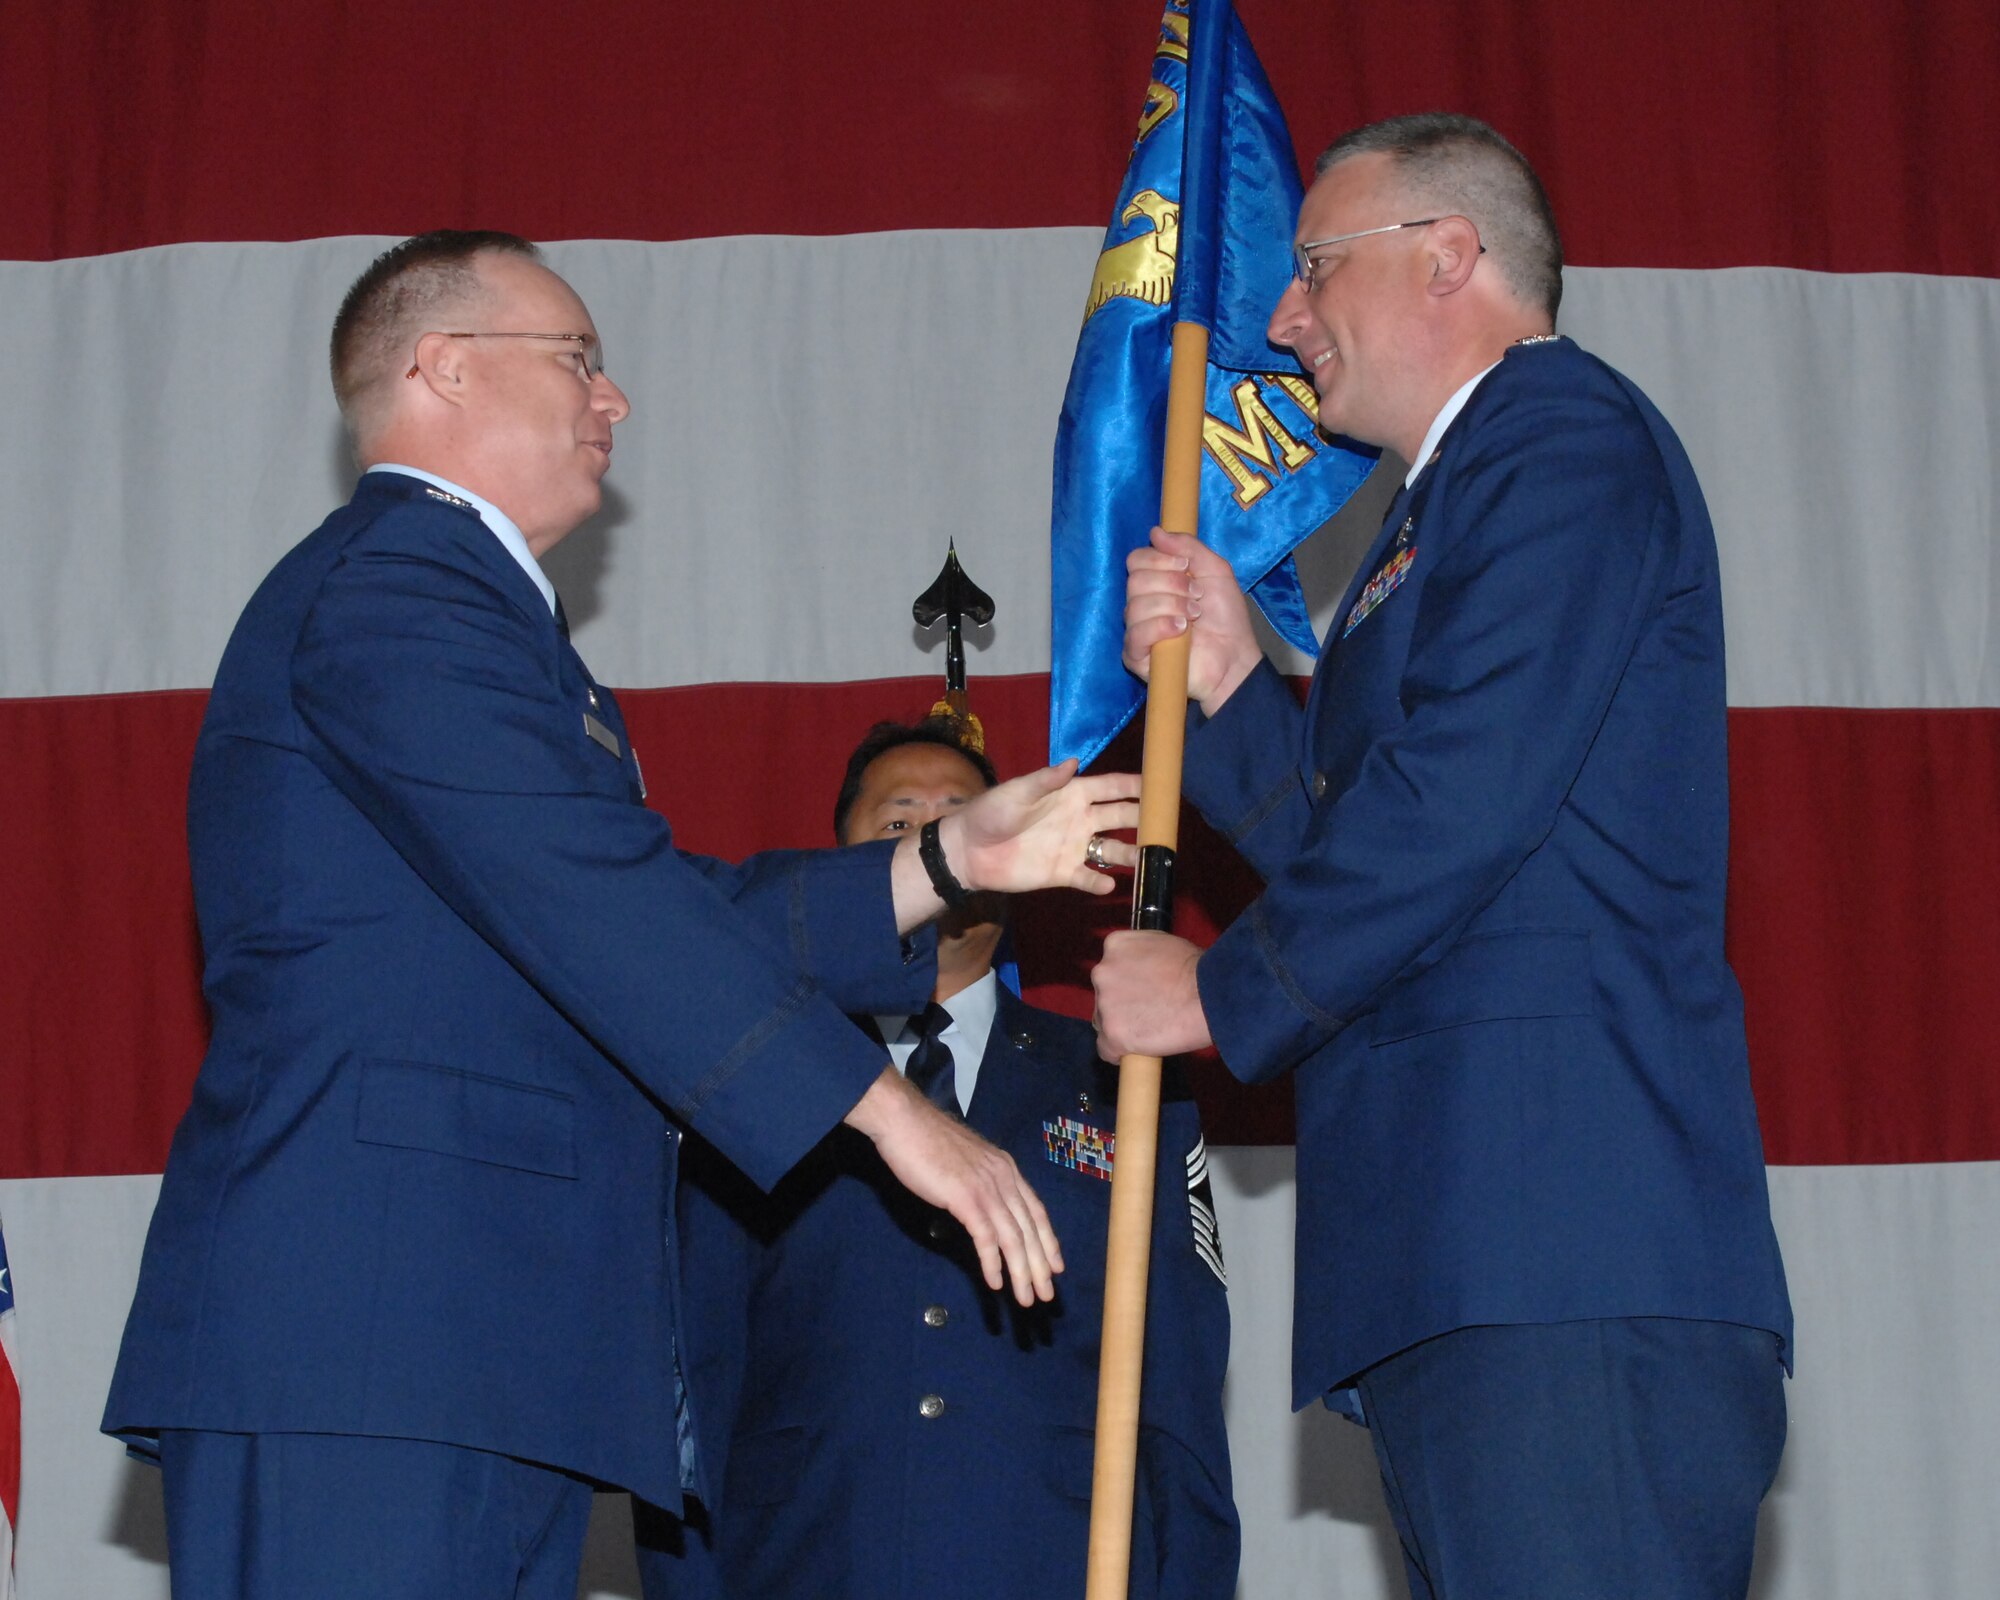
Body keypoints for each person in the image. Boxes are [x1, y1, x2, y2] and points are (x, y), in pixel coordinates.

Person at [100, 231, 1141, 1600]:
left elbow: (652, 903)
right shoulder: (396, 583)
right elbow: (590, 897)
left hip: (472, 1350)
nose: (616, 400)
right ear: (443, 368)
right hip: (374, 1335)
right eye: (580, 360)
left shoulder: (494, 632)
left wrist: (944, 860)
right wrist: (886, 1111)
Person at [1095, 115, 1793, 1599]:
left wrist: (1225, 998)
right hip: (1474, 1255)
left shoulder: (1560, 434)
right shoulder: (1452, 501)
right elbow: (1388, 835)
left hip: (1561, 1247)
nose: (1285, 323)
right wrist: (1231, 694)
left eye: (1312, 270)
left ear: (1448, 256)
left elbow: (1463, 798)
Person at [633, 715, 1238, 1600]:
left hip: (1054, 1565)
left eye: (961, 813)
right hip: (807, 1564)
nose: (931, 839)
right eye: (898, 823)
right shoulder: (751, 1076)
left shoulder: (1123, 1081)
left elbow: (1180, 1399)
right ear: (839, 861)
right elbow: (694, 1385)